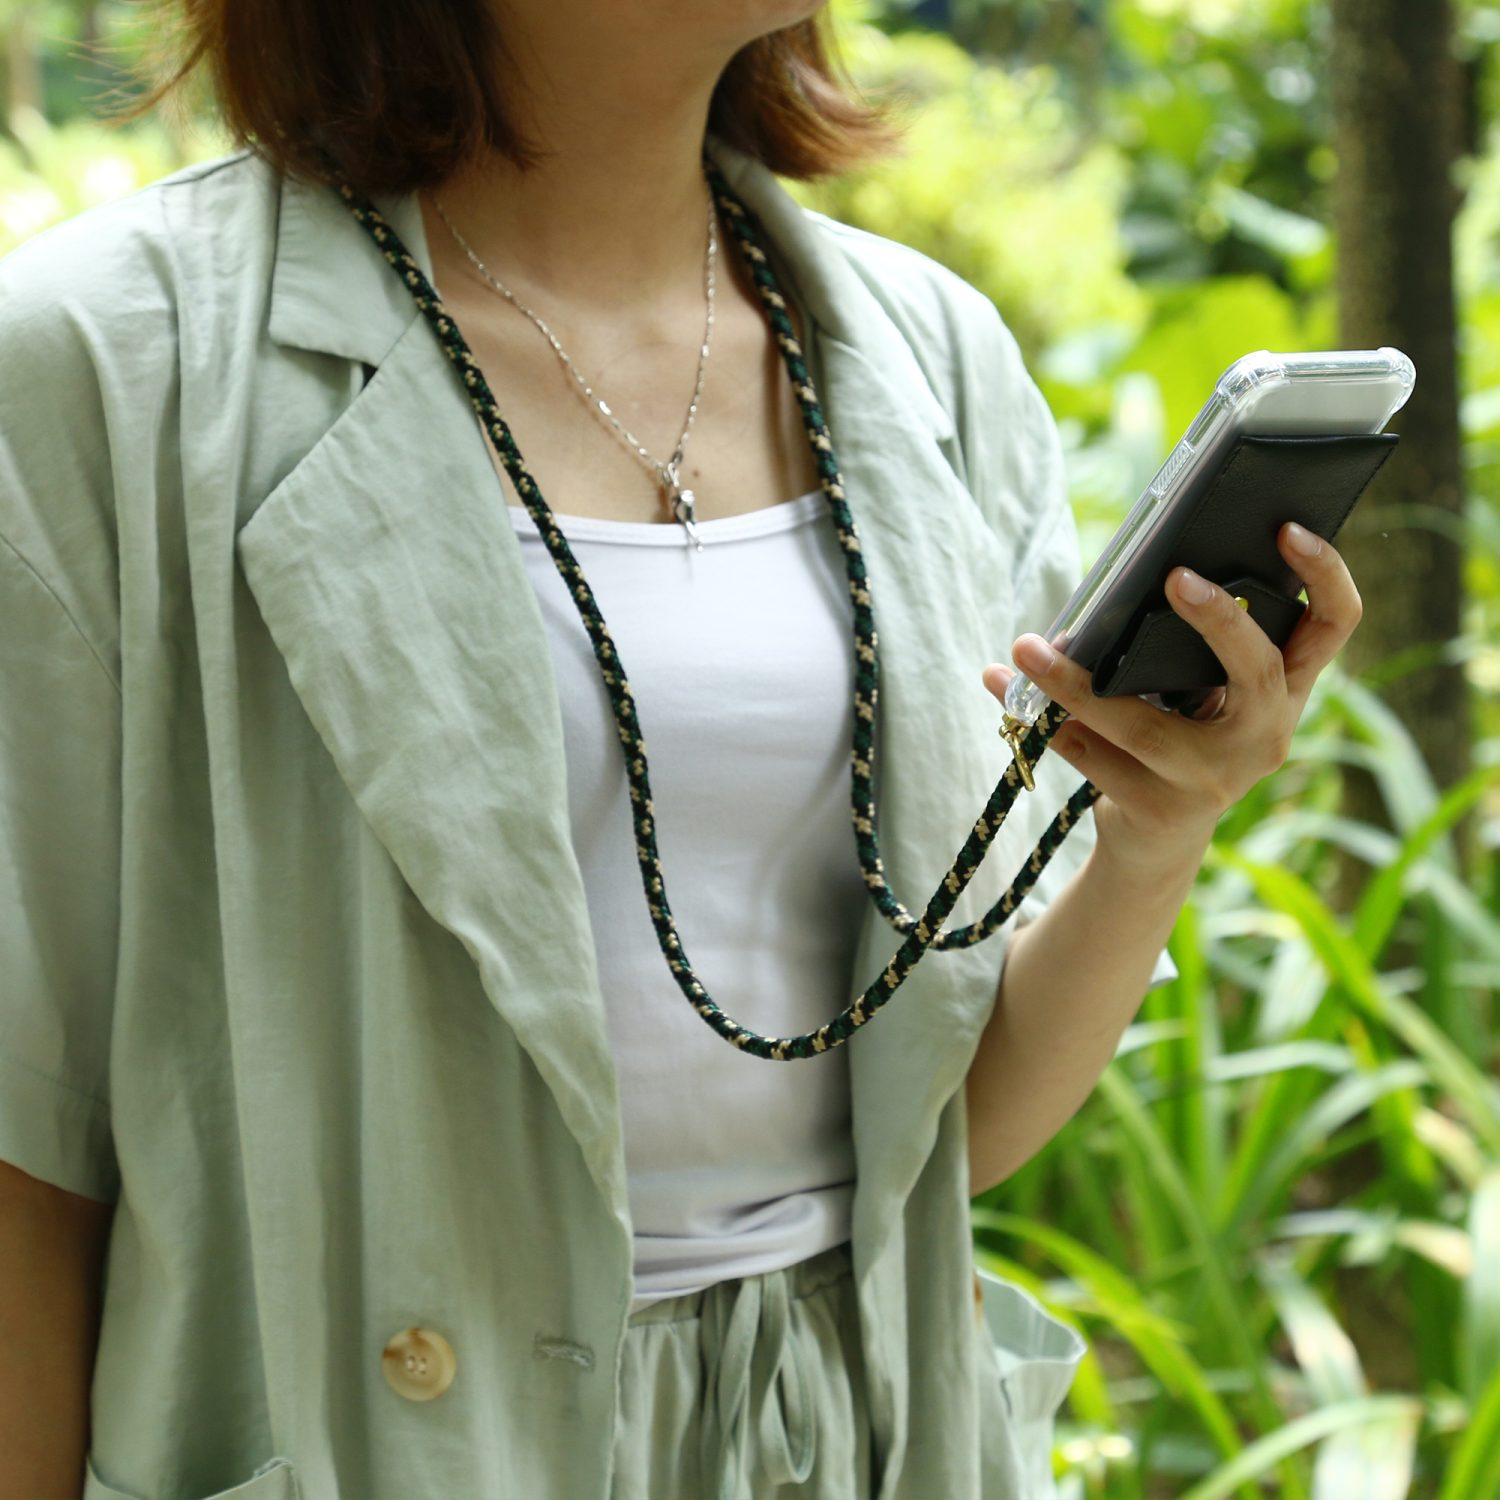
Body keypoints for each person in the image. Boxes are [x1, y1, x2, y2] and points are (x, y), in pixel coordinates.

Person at [0, 1, 1364, 1497]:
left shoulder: (926, 358)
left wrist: (1155, 837)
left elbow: (937, 1143)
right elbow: (26, 1154)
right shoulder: (104, 369)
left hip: (849, 1441)